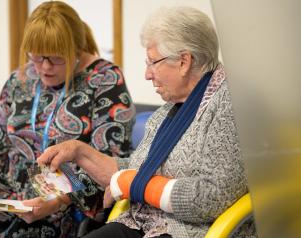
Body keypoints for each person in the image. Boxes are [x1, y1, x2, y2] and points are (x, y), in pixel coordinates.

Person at [37, 6, 257, 238]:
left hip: (189, 231)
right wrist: (79, 151)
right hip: (141, 224)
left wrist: (133, 183)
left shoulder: (230, 103)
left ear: (184, 61)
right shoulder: (170, 110)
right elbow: (136, 170)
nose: (147, 74)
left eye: (153, 62)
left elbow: (213, 197)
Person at [0, 1, 135, 237]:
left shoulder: (105, 80)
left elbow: (108, 163)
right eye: (37, 56)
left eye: (56, 58)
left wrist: (57, 202)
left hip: (68, 210)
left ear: (76, 48)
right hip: (8, 203)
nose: (44, 67)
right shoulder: (19, 80)